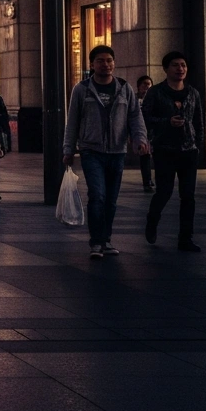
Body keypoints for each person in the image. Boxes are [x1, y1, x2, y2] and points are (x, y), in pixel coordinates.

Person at [62, 45, 149, 259]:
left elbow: (135, 117)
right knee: (97, 195)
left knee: (111, 199)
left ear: (114, 63)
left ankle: (106, 239)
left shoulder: (124, 88)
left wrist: (140, 139)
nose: (106, 64)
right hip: (91, 151)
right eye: (100, 61)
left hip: (117, 152)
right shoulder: (82, 89)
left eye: (109, 60)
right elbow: (72, 121)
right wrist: (68, 148)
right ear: (92, 65)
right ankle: (96, 242)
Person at [144, 52, 205, 252]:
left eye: (183, 65)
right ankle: (152, 220)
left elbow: (199, 121)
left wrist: (198, 144)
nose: (180, 69)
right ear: (166, 69)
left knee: (188, 196)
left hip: (189, 150)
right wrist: (166, 123)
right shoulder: (156, 93)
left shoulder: (193, 93)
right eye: (175, 65)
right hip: (165, 149)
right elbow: (145, 119)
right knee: (164, 191)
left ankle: (185, 238)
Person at [135, 75, 155, 193]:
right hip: (142, 132)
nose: (147, 87)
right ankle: (147, 181)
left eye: (149, 84)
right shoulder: (135, 99)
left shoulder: (154, 98)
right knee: (145, 157)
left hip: (153, 131)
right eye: (144, 84)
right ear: (139, 86)